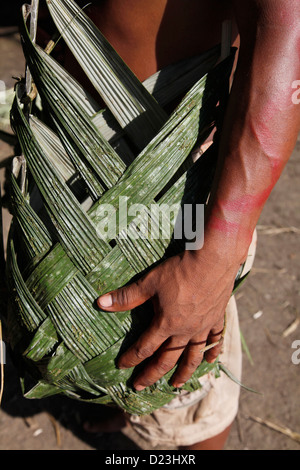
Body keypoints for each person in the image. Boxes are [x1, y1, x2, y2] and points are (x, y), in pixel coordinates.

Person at [44, 0, 300, 450]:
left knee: (181, 387)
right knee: (114, 342)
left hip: (166, 183)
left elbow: (286, 24)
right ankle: (125, 409)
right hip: (78, 145)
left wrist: (213, 261)